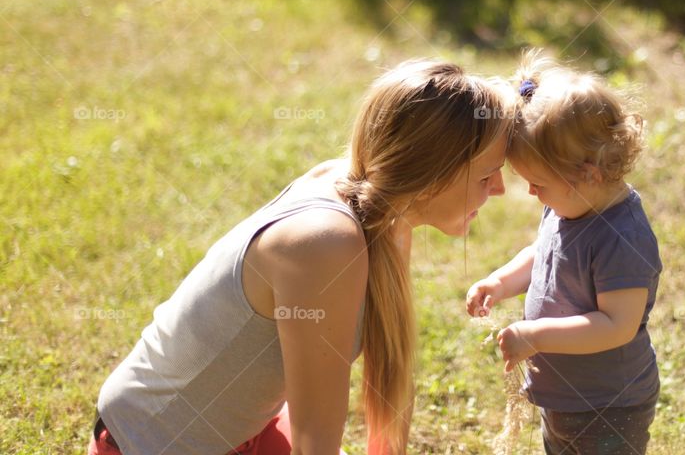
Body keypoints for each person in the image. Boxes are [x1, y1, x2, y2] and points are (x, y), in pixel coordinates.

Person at [89, 60, 515, 455]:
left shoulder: (381, 199)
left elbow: (389, 378)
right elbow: (316, 441)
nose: (498, 189)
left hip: (246, 430)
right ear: (429, 178)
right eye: (485, 175)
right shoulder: (325, 244)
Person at [465, 53, 662, 455]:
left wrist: (536, 335)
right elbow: (543, 252)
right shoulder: (568, 204)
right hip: (565, 395)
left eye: (538, 183)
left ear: (588, 173)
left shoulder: (620, 237)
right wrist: (500, 282)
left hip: (608, 404)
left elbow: (616, 325)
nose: (533, 194)